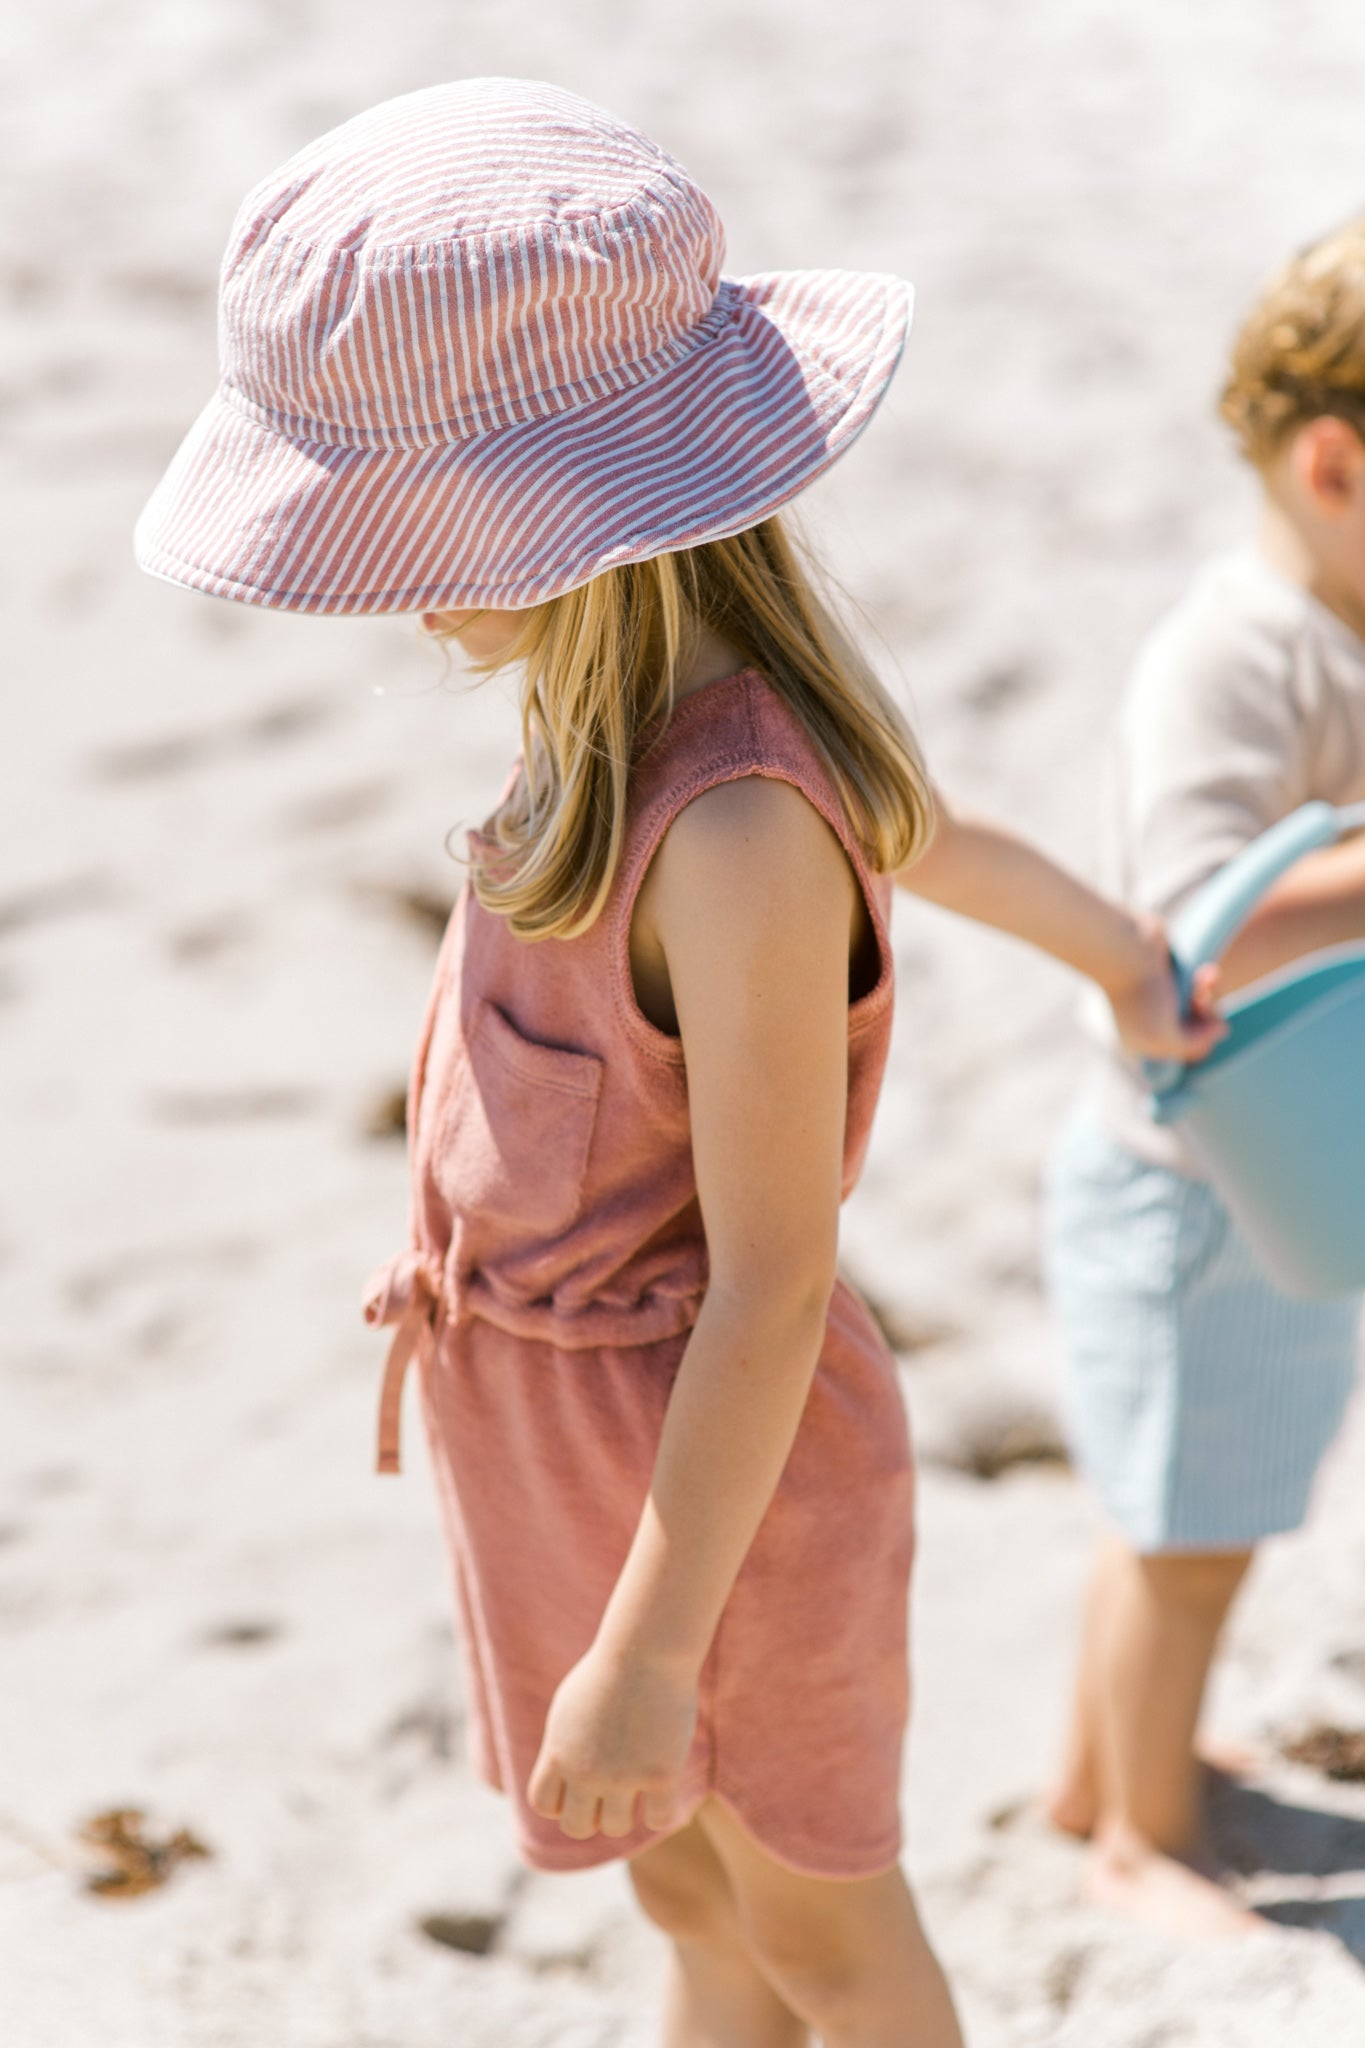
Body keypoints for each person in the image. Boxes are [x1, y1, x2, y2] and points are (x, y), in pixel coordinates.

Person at [136, 79, 1215, 2048]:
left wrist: (645, 1651)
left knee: (822, 1931)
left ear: (559, 529)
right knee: (683, 1890)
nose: (393, 590)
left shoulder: (728, 837)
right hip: (548, 1444)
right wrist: (1120, 954)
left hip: (716, 1485)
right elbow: (937, 833)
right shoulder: (607, 719)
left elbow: (773, 1282)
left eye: (408, 534)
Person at [1044, 213, 1365, 1941]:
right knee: (1185, 1526)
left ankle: (1098, 1772)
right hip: (1192, 1180)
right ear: (1334, 466)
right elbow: (1180, 928)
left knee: (1183, 1495)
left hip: (1289, 1161)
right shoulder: (1236, 656)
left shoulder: (1341, 623)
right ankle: (1138, 1845)